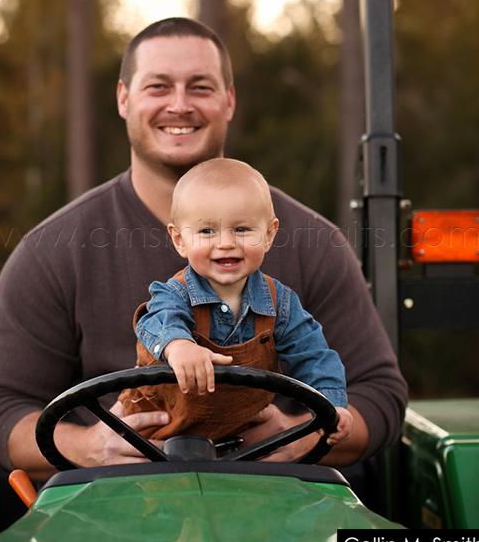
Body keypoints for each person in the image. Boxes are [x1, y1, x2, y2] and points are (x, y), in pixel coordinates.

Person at [0, 17, 407, 482]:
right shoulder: (51, 252)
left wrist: (301, 437)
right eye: (158, 86)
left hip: (277, 504)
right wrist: (88, 447)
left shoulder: (314, 244)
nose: (179, 105)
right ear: (123, 98)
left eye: (200, 87)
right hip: (116, 508)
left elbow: (379, 395)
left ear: (229, 100)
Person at [120, 158, 353, 448]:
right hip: (155, 439)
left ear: (268, 235)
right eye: (207, 231)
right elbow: (157, 320)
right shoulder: (175, 295)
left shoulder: (280, 304)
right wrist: (178, 346)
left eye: (242, 229)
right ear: (180, 240)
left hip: (237, 443)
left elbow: (313, 355)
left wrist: (331, 404)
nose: (226, 243)